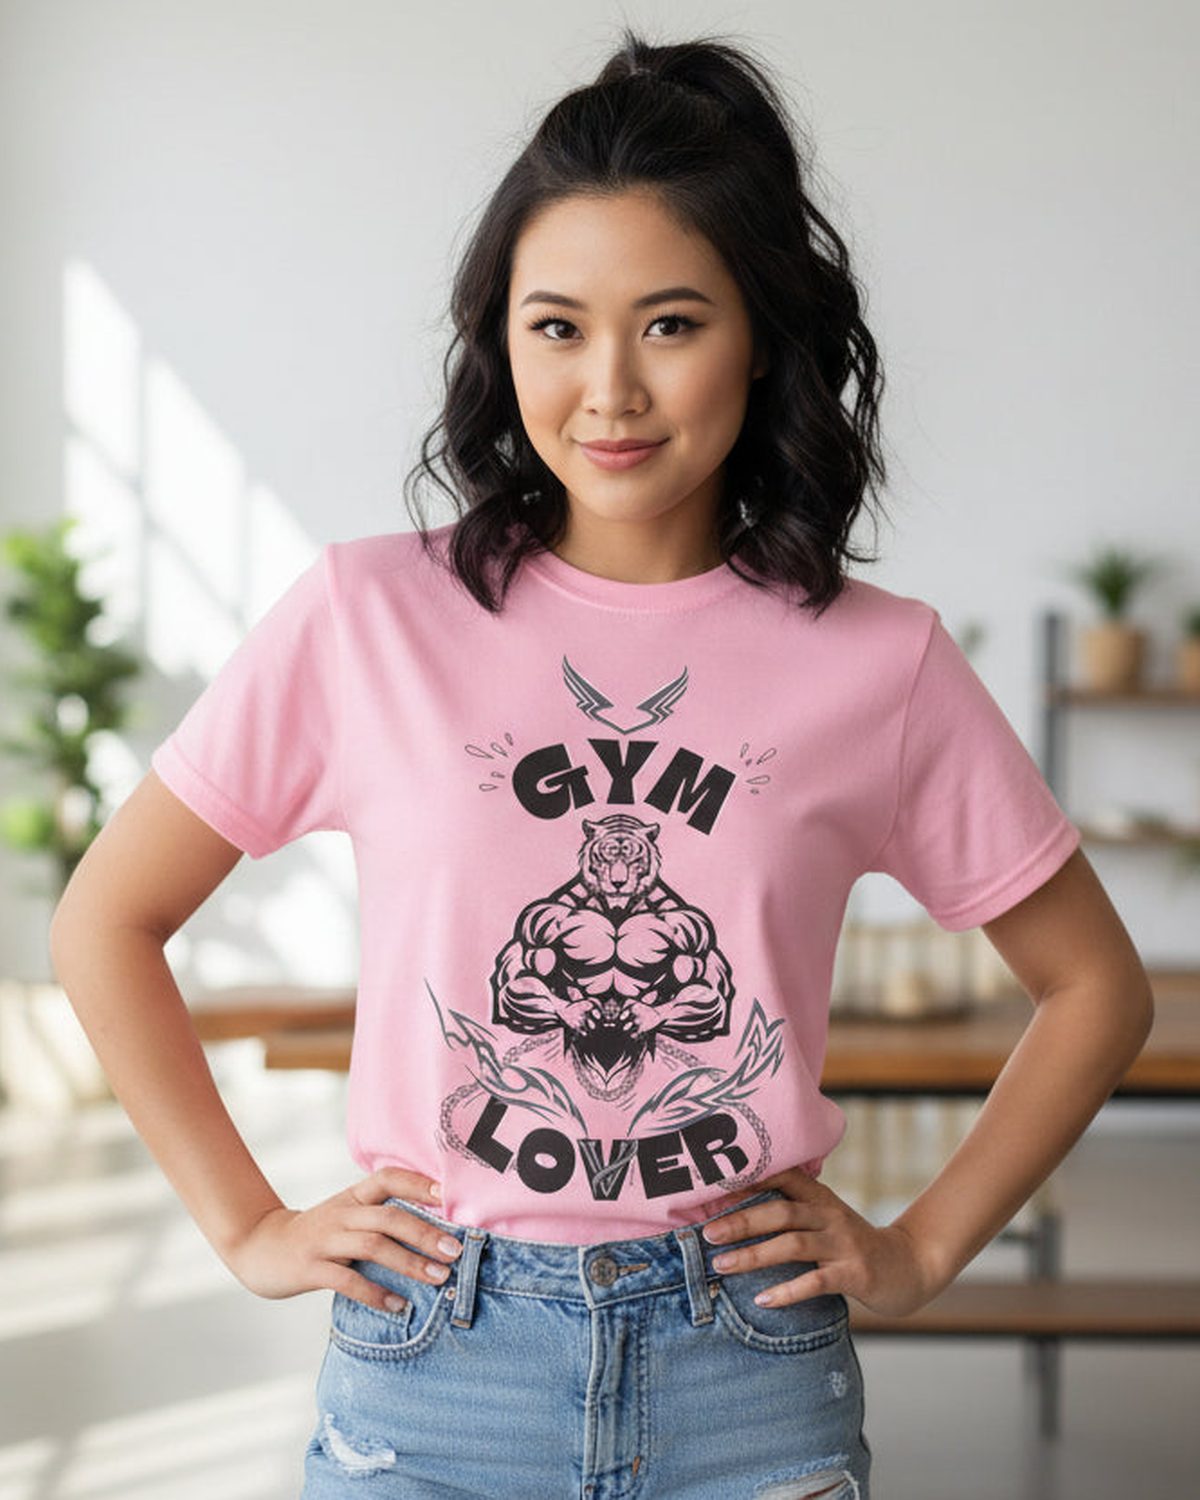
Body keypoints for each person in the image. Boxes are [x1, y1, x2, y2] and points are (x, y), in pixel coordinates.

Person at [49, 26, 1155, 1500]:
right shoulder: (369, 615)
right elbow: (102, 921)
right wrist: (249, 1228)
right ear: (500, 342)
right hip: (436, 1366)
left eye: (673, 323)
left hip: (745, 1371)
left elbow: (1098, 987)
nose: (612, 391)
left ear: (761, 334)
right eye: (558, 326)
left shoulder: (877, 662)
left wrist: (919, 1247)